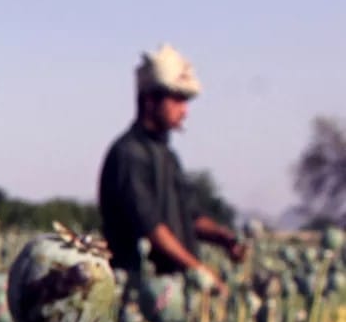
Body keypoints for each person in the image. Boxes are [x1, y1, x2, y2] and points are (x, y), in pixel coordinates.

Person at [98, 44, 245, 296]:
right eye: (177, 99)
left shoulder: (167, 156)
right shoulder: (129, 154)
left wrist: (224, 238)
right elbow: (152, 228)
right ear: (150, 100)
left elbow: (191, 215)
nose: (184, 110)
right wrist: (198, 269)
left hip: (172, 292)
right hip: (140, 293)